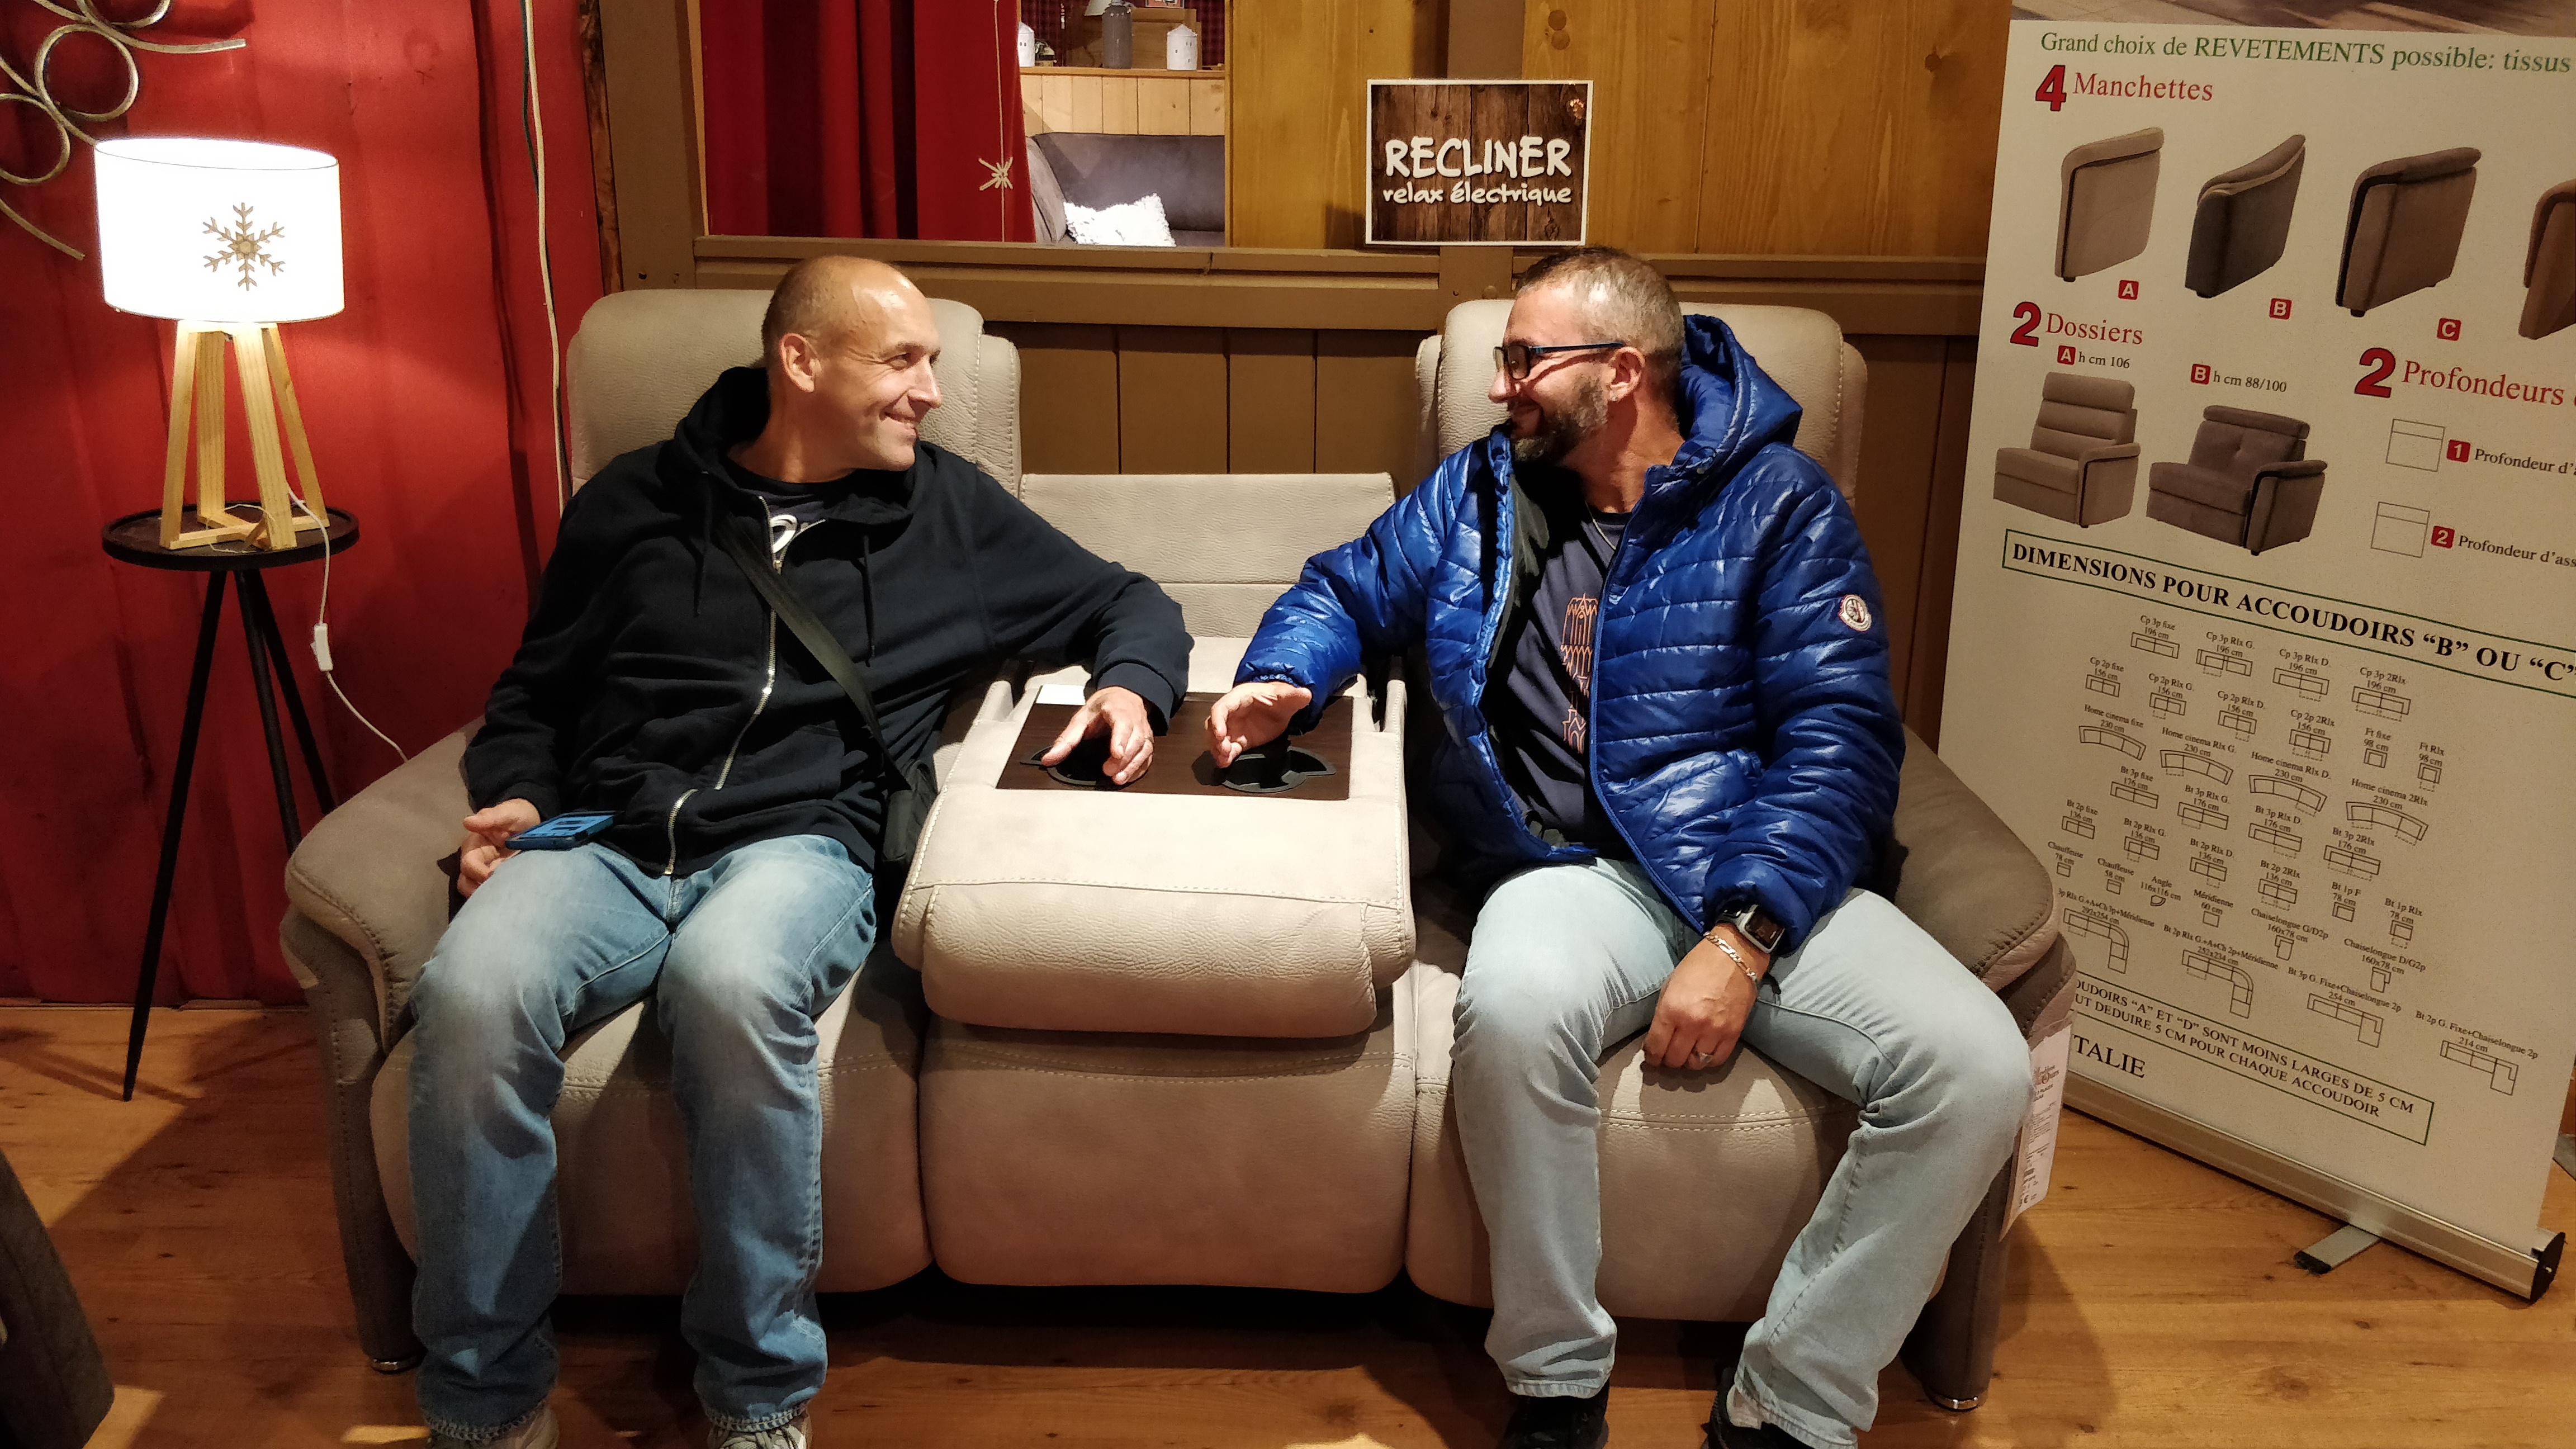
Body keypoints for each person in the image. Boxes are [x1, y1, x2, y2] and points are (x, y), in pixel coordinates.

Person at [1207, 248, 2031, 1449]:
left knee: (1980, 1070)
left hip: (1750, 864)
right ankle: (1556, 1378)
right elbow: (1348, 587)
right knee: (1515, 1011)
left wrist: (1744, 940)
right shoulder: (1478, 491)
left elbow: (1841, 735)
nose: (1502, 388)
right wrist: (1286, 673)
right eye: (1503, 360)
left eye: (1524, 360)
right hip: (1565, 872)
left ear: (1625, 373)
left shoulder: (1782, 503)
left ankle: (1792, 1400)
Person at [411, 257, 1190, 1449]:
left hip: (799, 844)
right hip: (606, 839)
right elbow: (535, 691)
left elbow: (1130, 601)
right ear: (801, 360)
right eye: (903, 361)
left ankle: (757, 1396)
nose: (932, 392)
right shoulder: (631, 503)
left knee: (730, 986)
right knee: (469, 993)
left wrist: (1130, 689)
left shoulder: (948, 514)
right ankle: (486, 1404)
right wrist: (518, 799)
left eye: (933, 363)